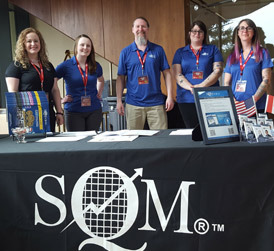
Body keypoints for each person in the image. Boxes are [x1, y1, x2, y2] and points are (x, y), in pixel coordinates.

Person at [116, 17, 174, 130]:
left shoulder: (158, 50)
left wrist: (170, 96)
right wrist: (119, 101)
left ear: (148, 29)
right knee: (134, 140)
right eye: (137, 26)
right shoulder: (125, 52)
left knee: (160, 139)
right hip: (133, 104)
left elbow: (167, 74)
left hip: (156, 103)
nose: (140, 29)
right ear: (133, 29)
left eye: (143, 26)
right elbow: (120, 78)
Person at [5, 27, 63, 132]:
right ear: (23, 44)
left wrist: (59, 112)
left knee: (50, 145)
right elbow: (14, 93)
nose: (33, 44)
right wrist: (19, 117)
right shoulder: (16, 66)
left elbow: (55, 89)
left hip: (47, 112)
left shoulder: (48, 65)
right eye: (29, 41)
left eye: (36, 41)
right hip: (28, 114)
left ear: (41, 43)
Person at [172, 20, 223, 128]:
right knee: (191, 130)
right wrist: (191, 88)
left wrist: (200, 86)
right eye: (194, 31)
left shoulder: (212, 49)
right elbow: (177, 74)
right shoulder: (180, 52)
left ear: (204, 34)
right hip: (187, 98)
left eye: (200, 31)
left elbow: (218, 71)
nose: (197, 34)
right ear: (189, 33)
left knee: (211, 128)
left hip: (209, 96)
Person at [56, 34, 104, 131]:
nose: (85, 48)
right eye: (82, 45)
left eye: (88, 45)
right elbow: (52, 83)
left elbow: (101, 80)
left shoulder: (96, 65)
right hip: (74, 111)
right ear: (76, 47)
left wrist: (99, 93)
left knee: (93, 142)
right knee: (77, 145)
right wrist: (60, 100)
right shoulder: (66, 66)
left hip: (94, 110)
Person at [224, 19, 273, 114]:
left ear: (253, 32)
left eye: (248, 28)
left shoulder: (263, 53)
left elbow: (266, 80)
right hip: (237, 107)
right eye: (241, 28)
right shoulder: (232, 56)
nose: (245, 31)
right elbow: (226, 82)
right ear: (238, 33)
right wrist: (234, 101)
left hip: (257, 106)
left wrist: (251, 102)